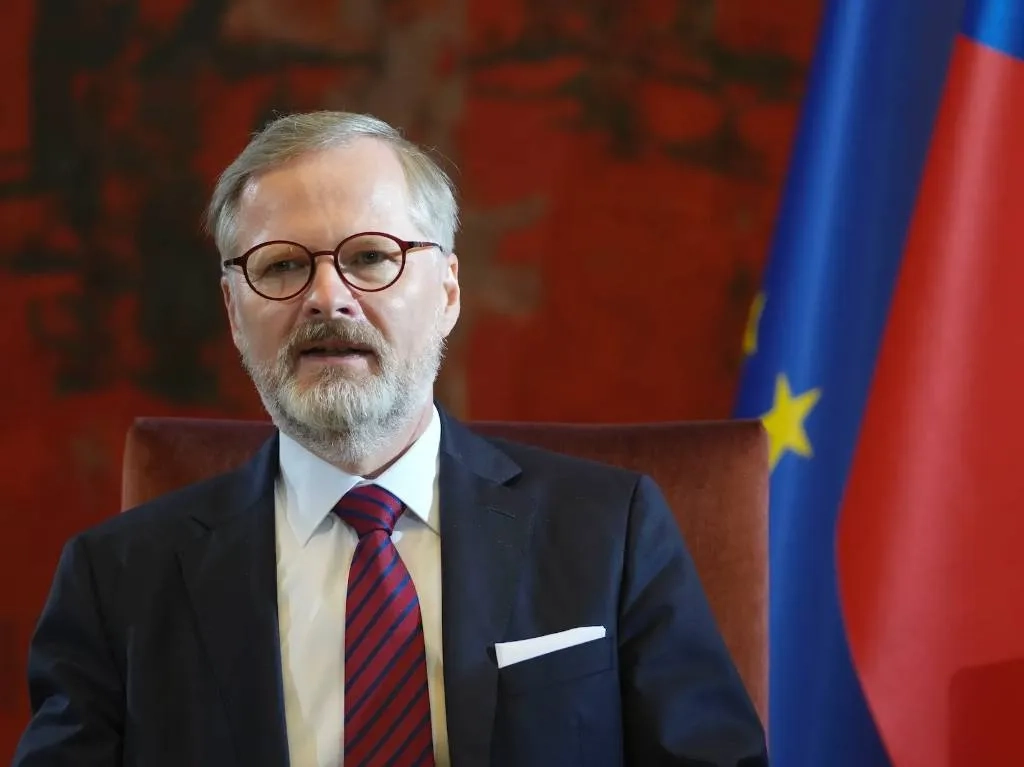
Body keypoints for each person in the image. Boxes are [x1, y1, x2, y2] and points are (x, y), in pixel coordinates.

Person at [13, 111, 768, 766]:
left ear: (447, 291)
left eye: (371, 257)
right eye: (282, 265)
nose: (327, 297)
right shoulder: (116, 581)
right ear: (235, 313)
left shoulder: (609, 533)